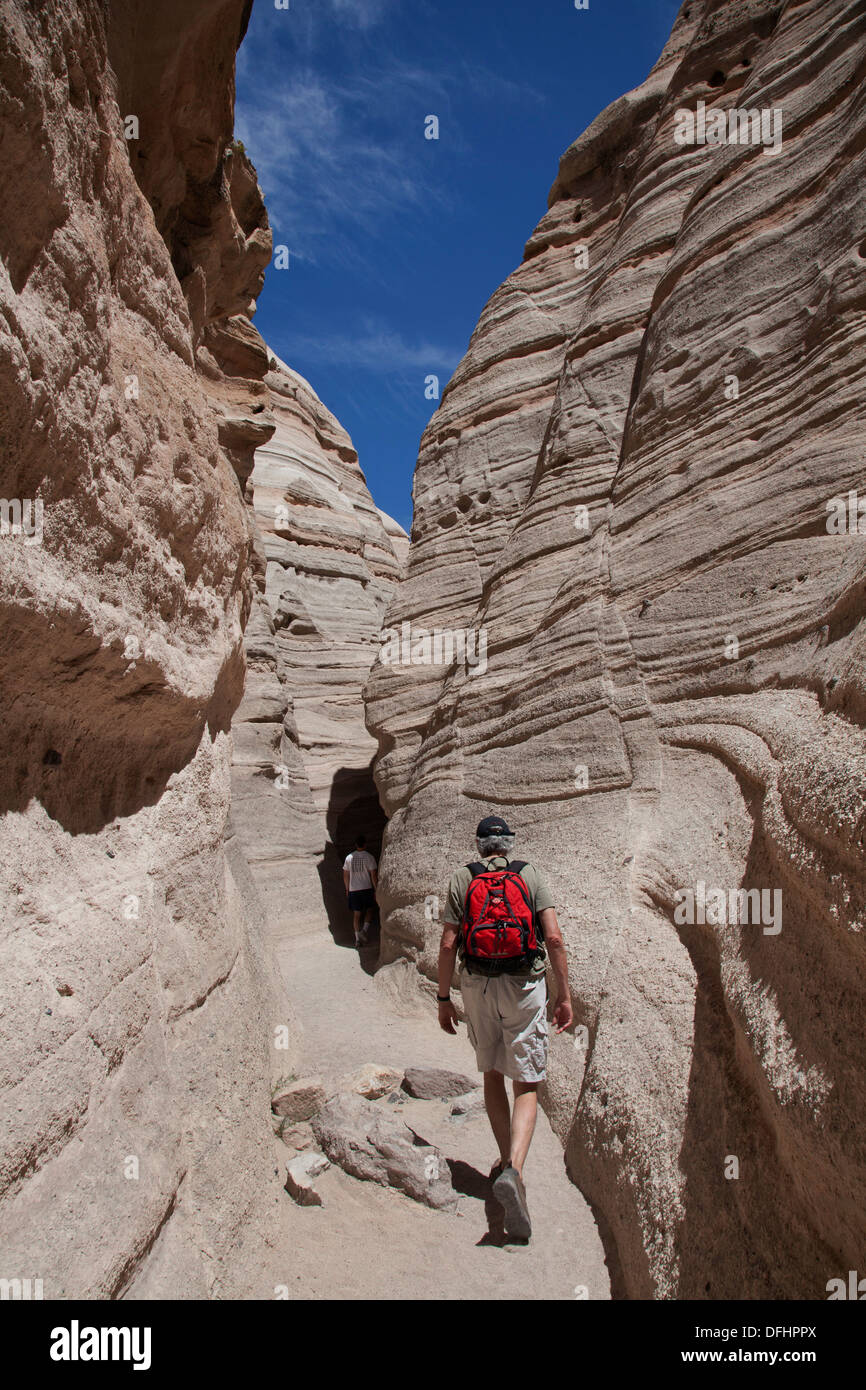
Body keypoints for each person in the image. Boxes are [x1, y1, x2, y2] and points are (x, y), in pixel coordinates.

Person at [436, 815, 573, 1240]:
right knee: (526, 1084)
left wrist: (444, 999)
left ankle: (504, 1162)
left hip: (477, 984)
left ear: (479, 845)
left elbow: (446, 944)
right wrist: (564, 993)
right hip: (523, 984)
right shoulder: (529, 874)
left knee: (492, 1072)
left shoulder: (463, 878)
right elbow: (553, 939)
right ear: (508, 844)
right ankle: (514, 1167)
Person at [342, 835, 378, 948]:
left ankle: (357, 939)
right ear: (365, 844)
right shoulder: (369, 857)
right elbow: (373, 875)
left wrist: (347, 888)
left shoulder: (348, 858)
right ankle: (364, 931)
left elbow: (345, 875)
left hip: (354, 889)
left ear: (356, 845)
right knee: (370, 910)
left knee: (356, 915)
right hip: (366, 888)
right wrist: (376, 889)